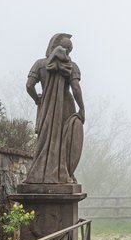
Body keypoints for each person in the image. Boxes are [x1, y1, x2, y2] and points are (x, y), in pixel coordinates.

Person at [24, 33, 85, 184]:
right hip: (66, 106)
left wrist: (38, 99)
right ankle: (64, 173)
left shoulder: (40, 64)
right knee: (64, 139)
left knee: (45, 139)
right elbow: (76, 89)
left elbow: (29, 86)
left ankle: (40, 174)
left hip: (47, 106)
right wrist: (82, 109)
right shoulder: (72, 66)